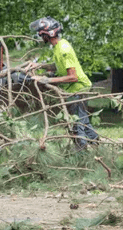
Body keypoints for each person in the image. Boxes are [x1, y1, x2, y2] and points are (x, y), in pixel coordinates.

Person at [28, 16, 99, 149]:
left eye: (41, 33)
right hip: (74, 89)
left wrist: (47, 80)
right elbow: (59, 66)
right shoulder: (58, 46)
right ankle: (99, 148)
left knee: (78, 125)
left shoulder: (64, 48)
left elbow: (73, 77)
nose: (39, 36)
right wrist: (39, 66)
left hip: (79, 89)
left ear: (49, 33)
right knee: (83, 122)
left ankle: (81, 155)